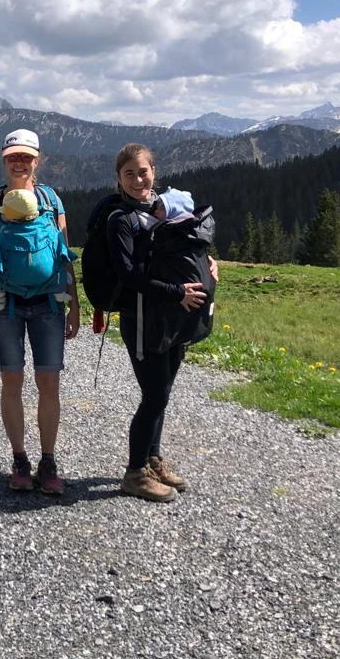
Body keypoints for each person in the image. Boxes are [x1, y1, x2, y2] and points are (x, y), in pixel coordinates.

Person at [0, 128, 80, 495]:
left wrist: (74, 304)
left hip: (49, 305)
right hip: (5, 308)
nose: (20, 162)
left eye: (26, 157)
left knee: (49, 384)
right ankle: (20, 458)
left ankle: (47, 459)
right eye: (13, 157)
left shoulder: (52, 202)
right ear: (4, 160)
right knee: (12, 382)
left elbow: (65, 257)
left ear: (37, 160)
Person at [107, 143, 217, 502]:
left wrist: (209, 262)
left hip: (173, 319)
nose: (138, 179)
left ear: (154, 170)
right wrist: (176, 292)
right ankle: (134, 473)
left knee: (163, 395)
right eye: (129, 174)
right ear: (119, 179)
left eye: (143, 171)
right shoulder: (121, 220)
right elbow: (128, 275)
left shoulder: (167, 208)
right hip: (142, 320)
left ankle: (152, 460)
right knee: (154, 395)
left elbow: (185, 242)